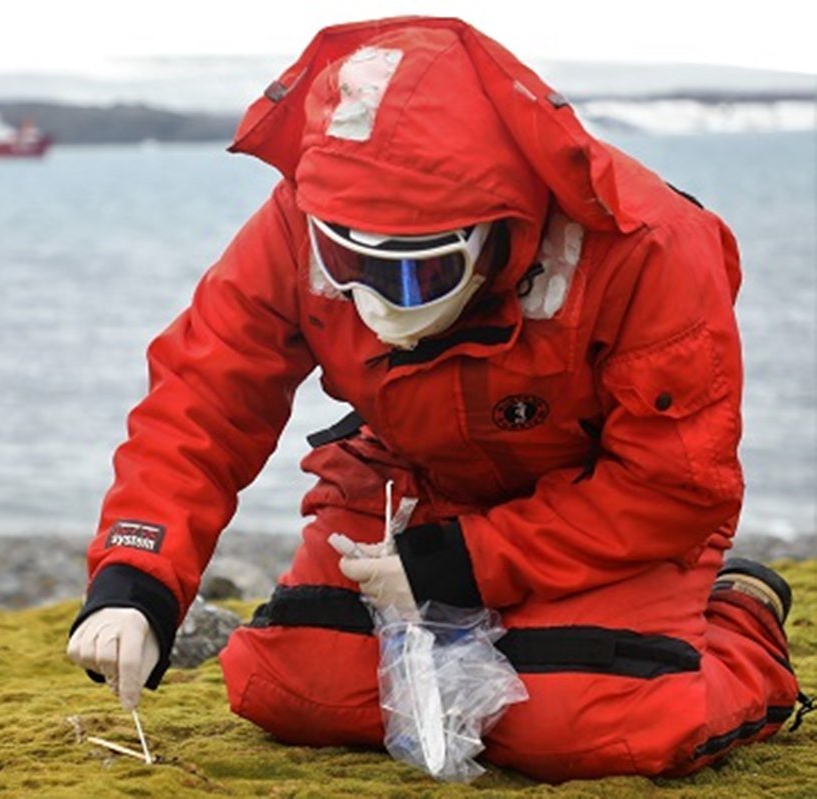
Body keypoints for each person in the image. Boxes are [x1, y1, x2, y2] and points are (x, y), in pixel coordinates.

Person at [65, 16, 805, 781]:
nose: (377, 304)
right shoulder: (300, 217)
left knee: (594, 728)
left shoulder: (649, 248)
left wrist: (455, 568)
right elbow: (203, 397)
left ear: (496, 232)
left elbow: (674, 487)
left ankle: (743, 616)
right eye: (345, 261)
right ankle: (522, 624)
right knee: (290, 685)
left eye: (416, 275)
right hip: (411, 482)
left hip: (600, 513)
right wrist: (135, 580)